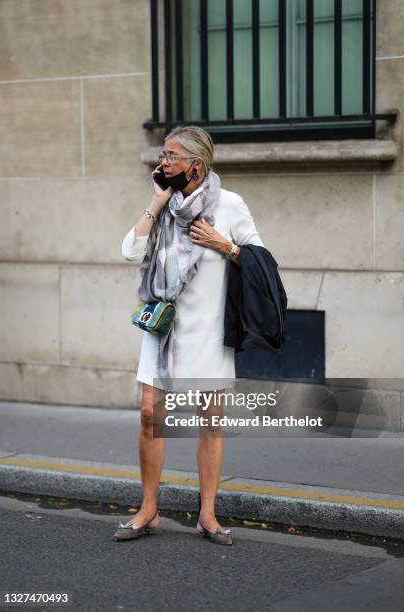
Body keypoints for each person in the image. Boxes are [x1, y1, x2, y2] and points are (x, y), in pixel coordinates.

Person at [114, 126, 264, 545]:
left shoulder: (229, 205)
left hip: (209, 329)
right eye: (162, 156)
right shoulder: (163, 206)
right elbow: (130, 252)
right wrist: (157, 201)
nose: (161, 164)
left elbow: (262, 259)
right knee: (149, 415)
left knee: (209, 423)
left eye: (170, 157)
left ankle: (208, 515)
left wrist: (225, 245)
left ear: (195, 164)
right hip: (164, 329)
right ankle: (148, 510)